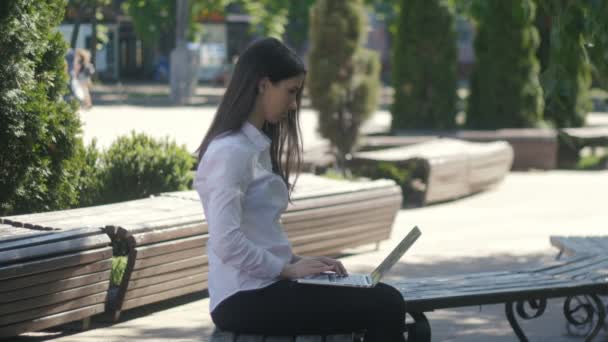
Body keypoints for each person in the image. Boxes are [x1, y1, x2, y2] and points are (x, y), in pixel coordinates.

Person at [194, 38, 407, 342]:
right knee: (385, 304)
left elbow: (260, 233)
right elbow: (226, 242)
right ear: (263, 85)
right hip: (243, 296)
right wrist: (287, 270)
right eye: (291, 92)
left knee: (380, 296)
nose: (294, 105)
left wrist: (300, 262)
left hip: (267, 285)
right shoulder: (230, 152)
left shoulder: (254, 147)